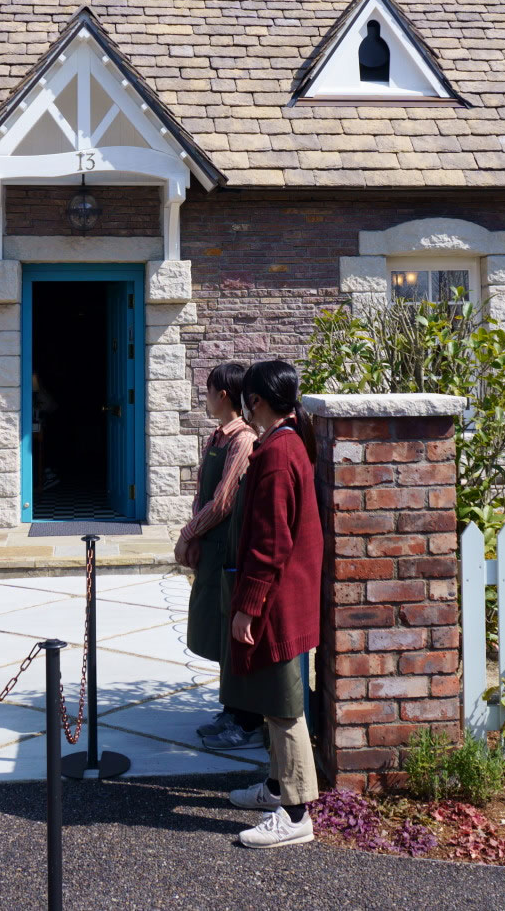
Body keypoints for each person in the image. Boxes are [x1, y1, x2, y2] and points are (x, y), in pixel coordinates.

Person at [224, 358, 323, 849]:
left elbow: (270, 543)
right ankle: (274, 788)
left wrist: (248, 605)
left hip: (279, 601)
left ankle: (297, 811)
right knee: (272, 698)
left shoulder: (279, 455)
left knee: (284, 706)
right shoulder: (286, 445)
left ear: (256, 402)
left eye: (247, 398)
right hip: (286, 595)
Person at [174, 362, 260, 750]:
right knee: (216, 628)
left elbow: (223, 500)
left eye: (207, 390)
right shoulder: (216, 438)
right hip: (210, 547)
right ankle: (231, 708)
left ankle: (246, 720)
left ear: (223, 395)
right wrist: (194, 534)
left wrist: (188, 532)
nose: (204, 397)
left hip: (228, 550)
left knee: (234, 633)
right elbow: (202, 496)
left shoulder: (243, 440)